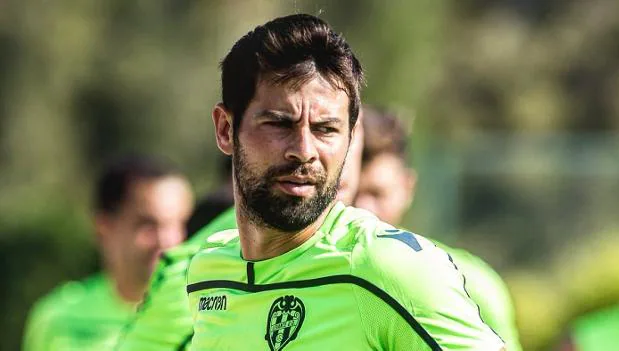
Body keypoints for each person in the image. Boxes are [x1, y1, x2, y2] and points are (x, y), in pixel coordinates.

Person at [186, 14, 505, 350]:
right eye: (279, 124)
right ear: (225, 129)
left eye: (325, 129)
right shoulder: (208, 272)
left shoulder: (390, 269)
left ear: (352, 140)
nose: (304, 151)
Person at [114, 107, 364, 351]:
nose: (309, 150)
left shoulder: (373, 256)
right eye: (282, 125)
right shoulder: (209, 260)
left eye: (329, 129)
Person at [355, 105, 523, 351]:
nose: (362, 208)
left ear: (407, 188)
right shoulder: (301, 273)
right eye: (352, 192)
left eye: (376, 193)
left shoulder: (473, 285)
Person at [23, 154, 194, 351]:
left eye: (180, 224)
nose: (168, 240)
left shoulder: (206, 311)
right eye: (147, 224)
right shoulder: (56, 319)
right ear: (104, 228)